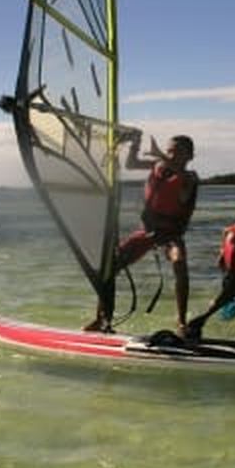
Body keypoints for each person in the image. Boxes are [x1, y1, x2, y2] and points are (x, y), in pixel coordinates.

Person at [84, 133, 198, 334]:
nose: (171, 155)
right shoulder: (158, 165)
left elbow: (181, 183)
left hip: (170, 235)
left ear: (190, 156)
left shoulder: (190, 178)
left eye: (178, 152)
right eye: (169, 150)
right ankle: (102, 319)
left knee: (179, 263)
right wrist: (134, 143)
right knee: (109, 267)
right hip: (147, 232)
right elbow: (131, 163)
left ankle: (181, 322)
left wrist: (160, 155)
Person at [185, 203, 235, 339]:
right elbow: (224, 257)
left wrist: (205, 316)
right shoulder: (230, 232)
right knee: (225, 321)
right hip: (231, 283)